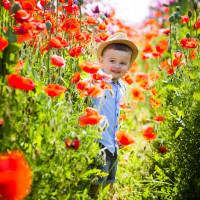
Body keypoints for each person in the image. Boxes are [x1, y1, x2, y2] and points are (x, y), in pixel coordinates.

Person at [89, 32, 138, 199]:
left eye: (123, 63)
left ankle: (110, 197)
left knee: (111, 176)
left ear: (129, 66)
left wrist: (118, 137)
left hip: (112, 142)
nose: (117, 66)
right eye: (112, 61)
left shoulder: (121, 85)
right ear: (101, 61)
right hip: (98, 141)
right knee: (97, 178)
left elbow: (116, 113)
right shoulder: (96, 80)